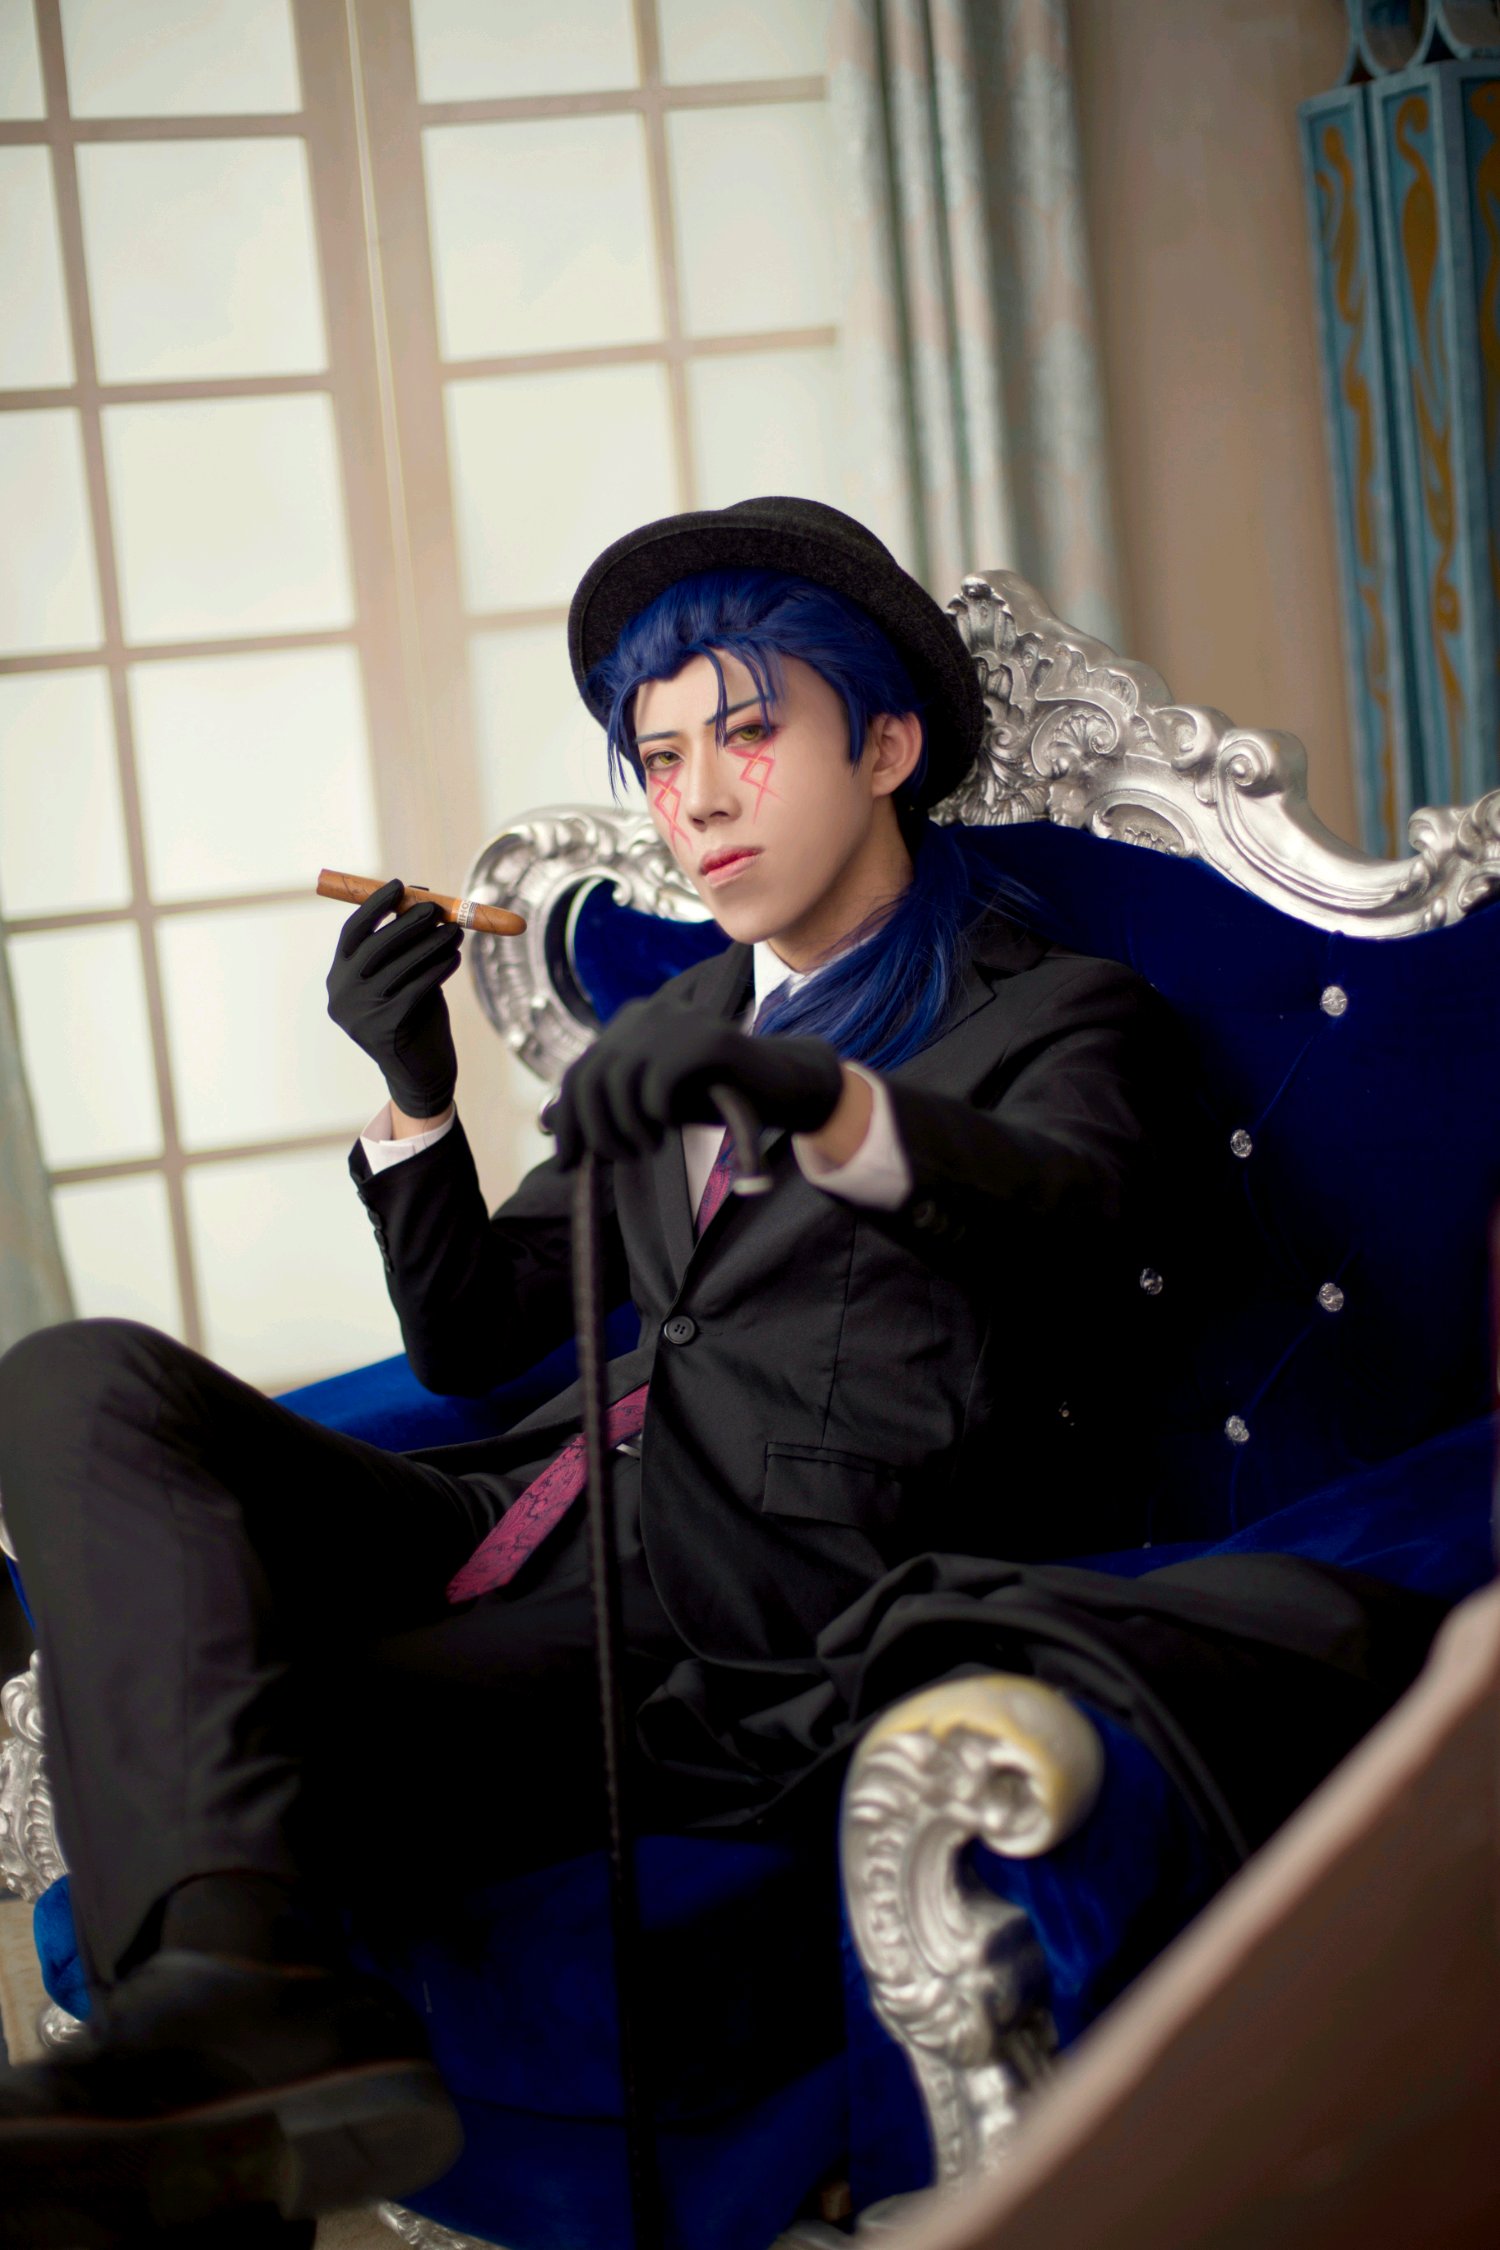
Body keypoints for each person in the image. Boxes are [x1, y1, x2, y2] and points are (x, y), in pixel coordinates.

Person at [0, 499, 1443, 2246]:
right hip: (514, 1509)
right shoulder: (685, 1020)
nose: (693, 798)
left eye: (748, 732)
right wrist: (415, 1099)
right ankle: (239, 2016)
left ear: (886, 746)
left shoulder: (1058, 1016)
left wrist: (825, 1107)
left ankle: (218, 2088)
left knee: (228, 1725)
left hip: (737, 1617)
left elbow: (1067, 1213)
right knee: (72, 1382)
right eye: (663, 754)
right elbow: (477, 1336)